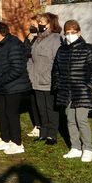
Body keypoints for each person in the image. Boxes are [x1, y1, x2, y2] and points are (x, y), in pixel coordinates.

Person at [52, 20, 92, 163]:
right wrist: (57, 85)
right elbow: (55, 70)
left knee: (81, 120)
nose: (70, 35)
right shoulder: (62, 50)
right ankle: (75, 147)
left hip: (81, 91)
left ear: (79, 33)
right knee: (70, 120)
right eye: (67, 33)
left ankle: (88, 148)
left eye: (73, 32)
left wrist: (88, 86)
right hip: (66, 91)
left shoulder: (88, 49)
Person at [0, 22, 32, 155]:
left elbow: (17, 68)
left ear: (0, 34)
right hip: (4, 87)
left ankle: (17, 143)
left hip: (14, 86)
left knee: (11, 113)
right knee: (1, 111)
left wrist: (2, 79)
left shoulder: (13, 45)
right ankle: (5, 138)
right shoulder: (2, 45)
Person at [28, 13, 63, 145]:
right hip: (36, 80)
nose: (40, 25)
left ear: (51, 23)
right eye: (40, 22)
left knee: (50, 109)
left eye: (43, 22)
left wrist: (51, 76)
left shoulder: (56, 39)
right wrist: (31, 74)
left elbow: (57, 61)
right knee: (41, 108)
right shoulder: (38, 39)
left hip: (48, 80)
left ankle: (52, 135)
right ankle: (43, 133)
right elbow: (31, 58)